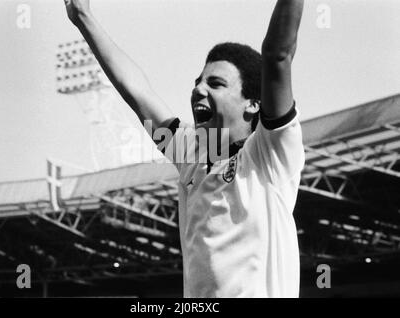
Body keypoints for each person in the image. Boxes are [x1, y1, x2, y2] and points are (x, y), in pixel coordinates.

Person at [64, 0, 305, 298]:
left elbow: (277, 55)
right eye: (198, 82)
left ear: (253, 103)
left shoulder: (268, 155)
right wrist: (83, 17)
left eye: (215, 84)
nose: (198, 90)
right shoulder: (191, 154)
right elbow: (136, 90)